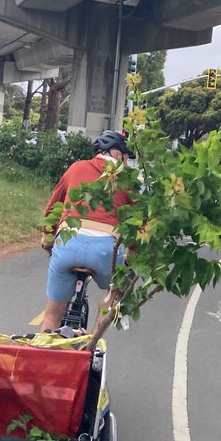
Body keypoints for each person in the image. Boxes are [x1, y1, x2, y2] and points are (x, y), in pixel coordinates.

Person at [38, 130, 134, 335]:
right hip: (105, 252)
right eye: (126, 158)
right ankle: (92, 341)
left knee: (51, 316)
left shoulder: (76, 167)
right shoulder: (126, 179)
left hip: (67, 244)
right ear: (117, 154)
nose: (127, 163)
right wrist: (131, 254)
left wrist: (47, 236)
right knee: (116, 290)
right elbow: (137, 223)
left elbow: (52, 207)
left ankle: (44, 349)